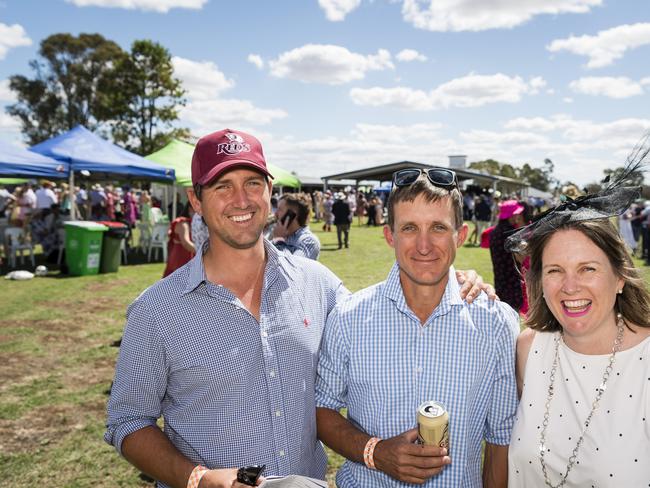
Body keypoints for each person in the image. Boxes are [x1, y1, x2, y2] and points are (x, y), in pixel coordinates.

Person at [105, 129, 490, 488]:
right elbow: (127, 421)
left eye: (252, 183)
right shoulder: (157, 310)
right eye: (223, 186)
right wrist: (199, 479)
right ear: (196, 199)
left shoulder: (317, 283)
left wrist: (447, 278)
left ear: (270, 190)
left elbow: (379, 315)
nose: (241, 200)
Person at [315, 167, 519, 488]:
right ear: (390, 236)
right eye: (410, 228)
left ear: (460, 236)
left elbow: (500, 438)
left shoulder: (497, 322)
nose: (424, 245)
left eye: (438, 227)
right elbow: (322, 408)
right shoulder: (349, 317)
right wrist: (376, 451)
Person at [506, 164, 650, 487]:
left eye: (587, 269)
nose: (570, 287)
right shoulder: (529, 350)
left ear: (620, 278)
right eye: (555, 270)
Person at [490, 200, 525, 313]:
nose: (518, 216)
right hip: (512, 283)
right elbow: (523, 256)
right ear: (512, 215)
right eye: (516, 213)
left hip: (500, 281)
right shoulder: (511, 234)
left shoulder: (495, 231)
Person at [272, 192, 320, 260]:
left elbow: (292, 267)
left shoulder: (309, 241)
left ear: (291, 214)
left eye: (280, 209)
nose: (275, 214)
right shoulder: (280, 235)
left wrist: (279, 241)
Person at [162, 202, 195, 278]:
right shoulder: (182, 223)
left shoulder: (192, 223)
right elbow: (186, 243)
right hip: (180, 257)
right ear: (190, 209)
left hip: (188, 256)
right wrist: (203, 252)